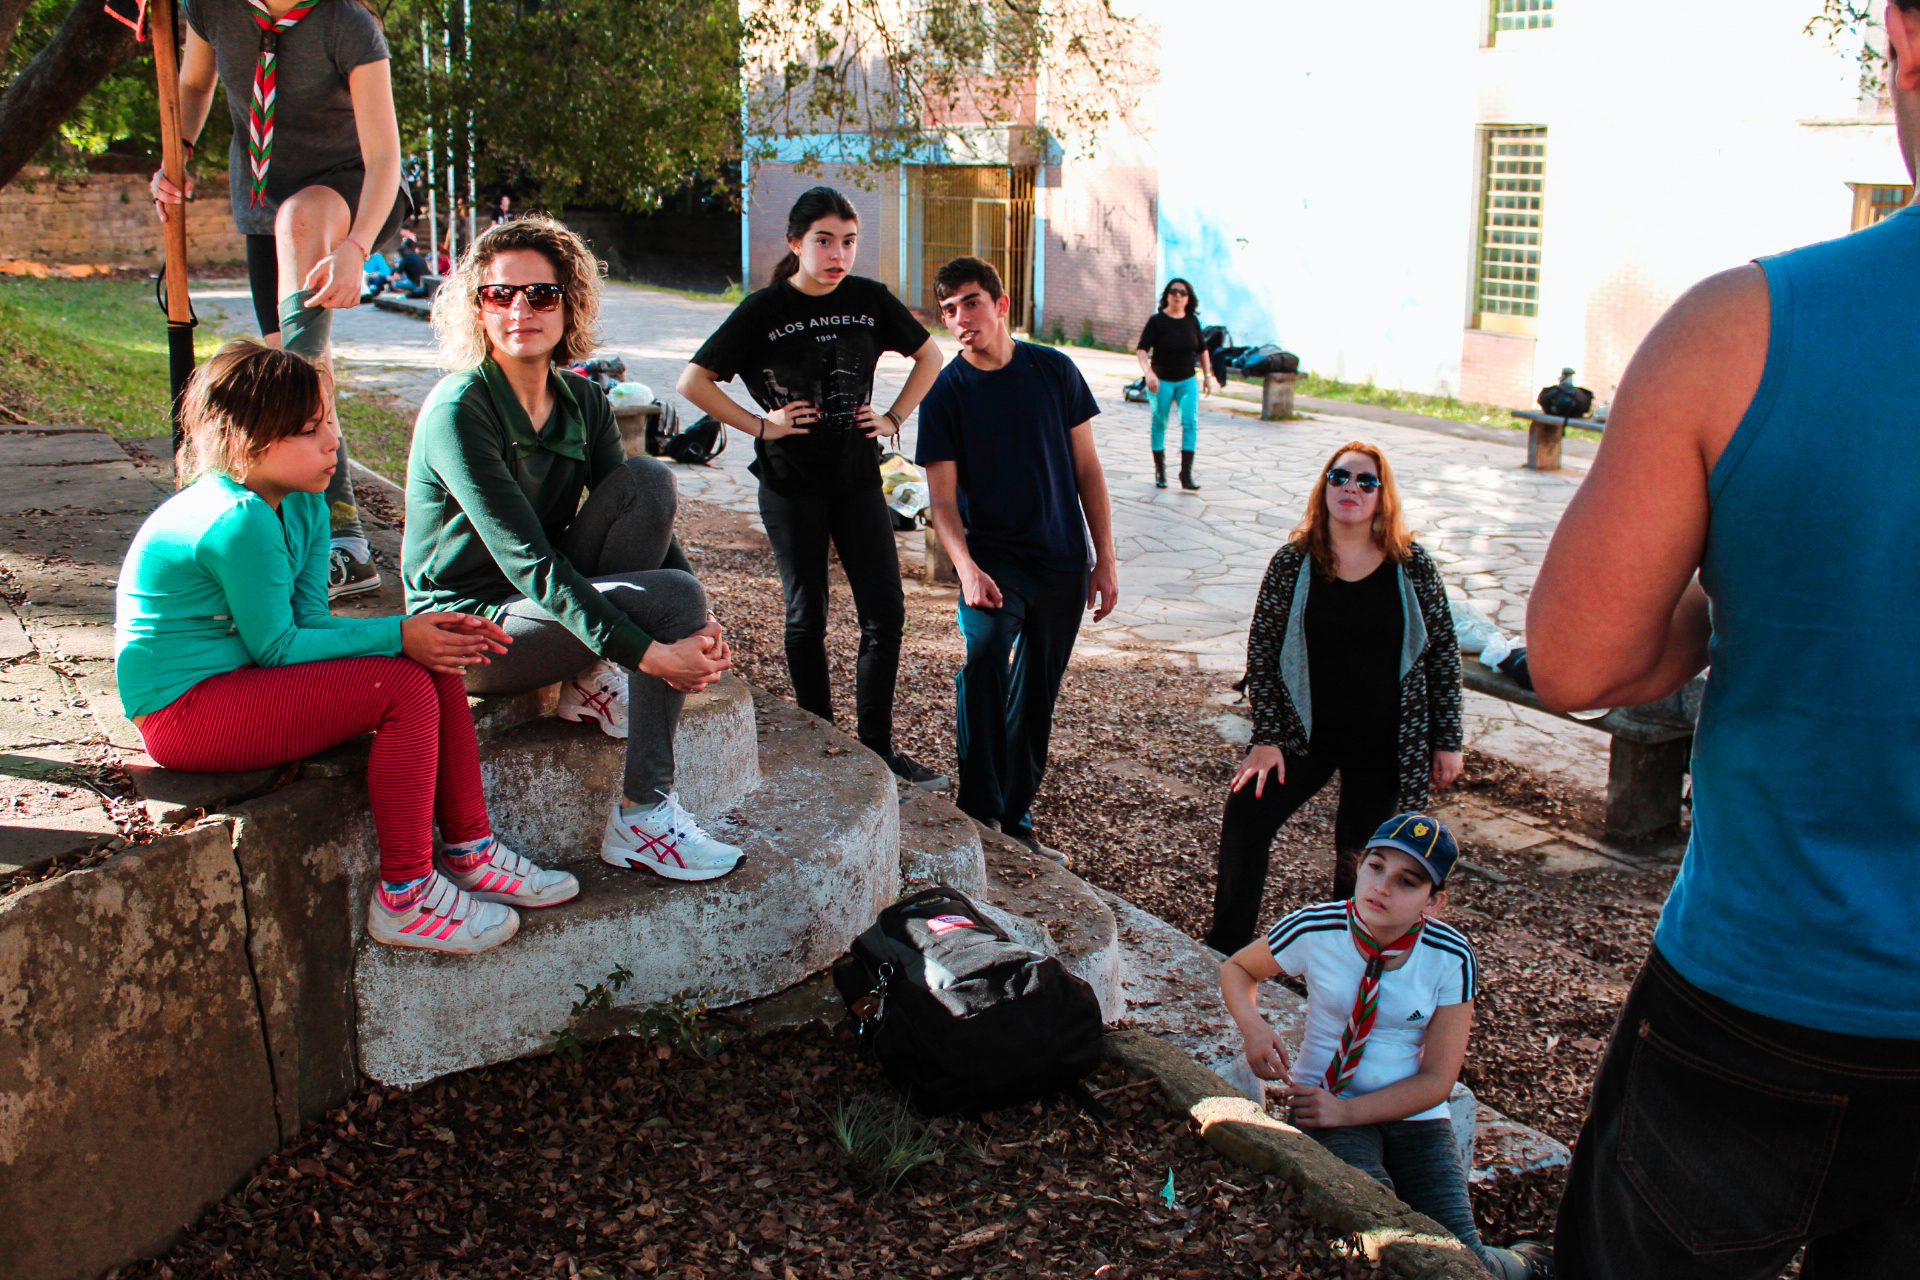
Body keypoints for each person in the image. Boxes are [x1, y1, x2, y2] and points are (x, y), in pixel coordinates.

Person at [1526, 7, 1920, 1273]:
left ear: (1905, 38)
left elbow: (1580, 657)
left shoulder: (1741, 331)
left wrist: (1737, 592)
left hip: (1772, 993)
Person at [115, 341, 577, 953]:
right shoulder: (236, 519)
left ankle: (472, 850)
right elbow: (280, 647)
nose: (334, 441)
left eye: (330, 421)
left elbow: (309, 619)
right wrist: (400, 633)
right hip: (185, 715)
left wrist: (419, 635)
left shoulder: (303, 503)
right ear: (247, 441)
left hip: (243, 681)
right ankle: (405, 896)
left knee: (431, 664)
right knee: (403, 683)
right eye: (310, 430)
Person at [404, 215, 743, 881]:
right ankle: (644, 817)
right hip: (471, 630)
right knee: (668, 600)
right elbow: (529, 562)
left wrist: (699, 626)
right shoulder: (459, 410)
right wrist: (653, 653)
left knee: (648, 482)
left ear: (570, 304)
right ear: (478, 307)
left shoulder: (584, 401)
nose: (520, 310)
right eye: (499, 294)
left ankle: (587, 680)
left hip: (544, 604)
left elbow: (644, 522)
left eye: (541, 294)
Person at [678, 186, 946, 788]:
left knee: (886, 614)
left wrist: (894, 417)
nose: (838, 254)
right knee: (808, 615)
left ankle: (876, 748)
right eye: (824, 241)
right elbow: (693, 381)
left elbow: (930, 358)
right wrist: (761, 425)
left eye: (848, 242)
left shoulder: (869, 300)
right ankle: (821, 740)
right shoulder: (764, 309)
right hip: (790, 484)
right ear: (796, 244)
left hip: (858, 480)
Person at [1220, 815, 1550, 1278]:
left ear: (1433, 901)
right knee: (1375, 1232)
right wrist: (1254, 1028)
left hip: (1410, 1112)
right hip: (1324, 1102)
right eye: (1375, 866)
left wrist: (1350, 1112)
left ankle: (1523, 1264)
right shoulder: (1317, 927)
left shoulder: (1451, 956)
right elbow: (1237, 969)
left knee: (1462, 1259)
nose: (1382, 887)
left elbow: (1438, 1079)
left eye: (1407, 881)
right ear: (1360, 866)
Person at [152, 0, 403, 600]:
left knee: (300, 230)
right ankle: (309, 530)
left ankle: (338, 537)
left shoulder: (347, 24)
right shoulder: (212, 8)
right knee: (291, 365)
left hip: (353, 192)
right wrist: (178, 151)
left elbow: (384, 157)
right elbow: (194, 84)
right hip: (264, 208)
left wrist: (357, 247)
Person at [1205, 442, 1462, 953]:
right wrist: (1267, 737)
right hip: (1304, 735)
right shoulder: (1293, 562)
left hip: (1385, 741)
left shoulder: (1411, 565)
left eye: (1367, 482)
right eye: (1340, 477)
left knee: (1362, 859)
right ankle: (1226, 947)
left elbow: (1443, 654)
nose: (1351, 489)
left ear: (1382, 496)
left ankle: (1343, 959)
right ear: (1324, 487)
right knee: (1246, 813)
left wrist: (1447, 741)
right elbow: (1263, 652)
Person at [915, 256, 1120, 862]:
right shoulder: (945, 394)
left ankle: (1016, 819)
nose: (960, 318)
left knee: (1036, 696)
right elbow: (942, 503)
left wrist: (1104, 559)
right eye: (948, 309)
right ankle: (981, 810)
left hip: (1061, 562)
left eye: (971, 302)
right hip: (992, 563)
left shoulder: (1054, 371)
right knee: (984, 663)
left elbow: (1088, 471)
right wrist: (966, 569)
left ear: (1001, 305)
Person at [1135, 278, 1214, 490]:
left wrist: (1207, 375)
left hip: (1187, 380)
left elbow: (1202, 350)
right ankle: (1160, 471)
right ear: (1167, 296)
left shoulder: (1192, 321)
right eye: (1174, 291)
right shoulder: (1157, 321)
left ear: (1189, 298)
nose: (1178, 295)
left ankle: (1186, 474)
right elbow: (1142, 350)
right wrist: (1148, 373)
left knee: (1190, 422)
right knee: (1160, 421)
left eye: (1183, 292)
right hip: (1161, 381)